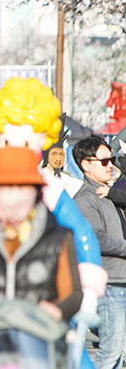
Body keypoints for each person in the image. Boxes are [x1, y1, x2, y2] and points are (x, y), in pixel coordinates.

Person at [0, 146, 82, 321]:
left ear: (36, 191)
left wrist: (56, 310)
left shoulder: (59, 237)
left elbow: (72, 293)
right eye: (3, 186)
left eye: (22, 186)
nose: (13, 194)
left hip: (39, 337)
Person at [72, 134, 126, 368]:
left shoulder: (111, 193)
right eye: (104, 161)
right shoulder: (85, 199)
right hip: (110, 284)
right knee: (111, 353)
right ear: (86, 165)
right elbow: (96, 239)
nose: (110, 166)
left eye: (112, 160)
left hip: (121, 280)